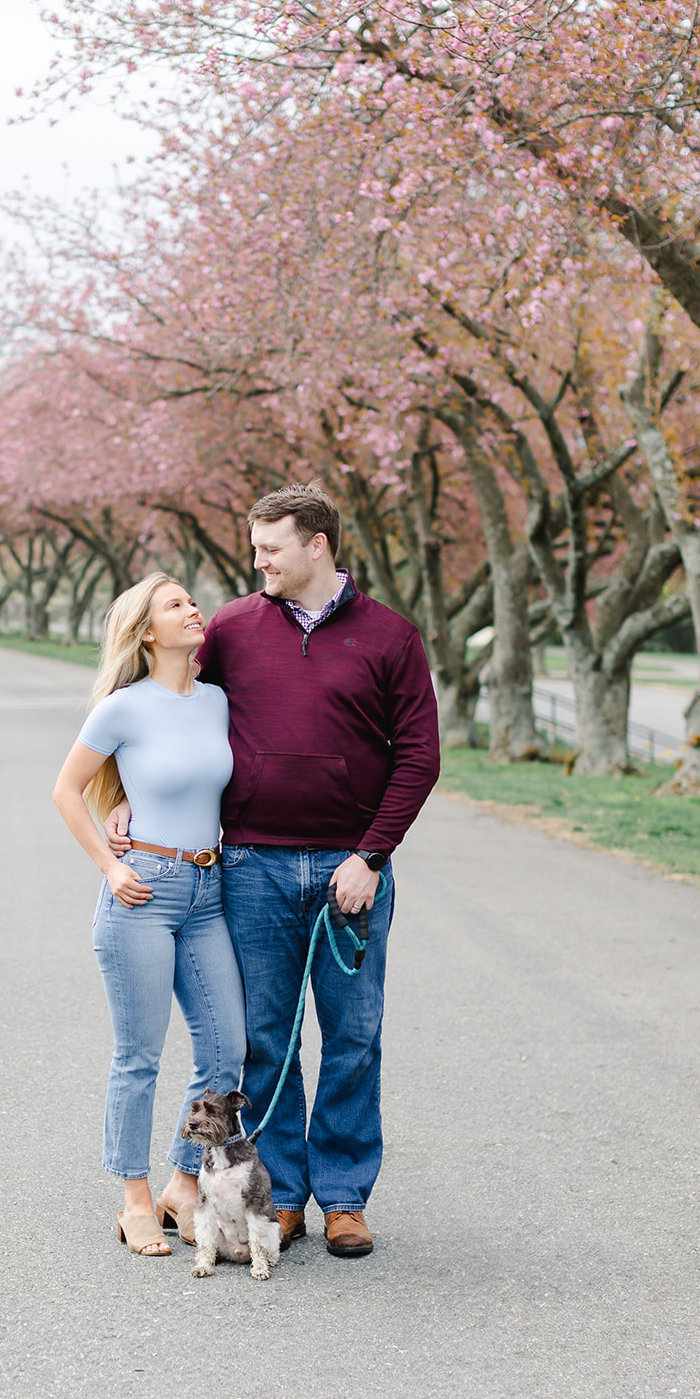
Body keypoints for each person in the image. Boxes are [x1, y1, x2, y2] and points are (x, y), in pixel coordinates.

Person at [111, 485, 441, 1258]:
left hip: (348, 872)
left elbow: (419, 756)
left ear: (317, 545)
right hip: (252, 865)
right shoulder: (228, 628)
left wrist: (371, 855)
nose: (255, 560)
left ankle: (346, 1198)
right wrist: (123, 796)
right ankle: (281, 1195)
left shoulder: (390, 637)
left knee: (354, 1036)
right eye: (254, 546)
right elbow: (166, 711)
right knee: (268, 1042)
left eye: (270, 548)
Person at [53, 572, 246, 1257]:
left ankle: (182, 1183)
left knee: (226, 1051)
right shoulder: (122, 708)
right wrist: (111, 866)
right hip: (142, 889)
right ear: (145, 632)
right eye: (175, 605)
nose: (193, 610)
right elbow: (67, 790)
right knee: (138, 1056)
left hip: (208, 888)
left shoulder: (219, 701)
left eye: (192, 601)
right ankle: (134, 1198)